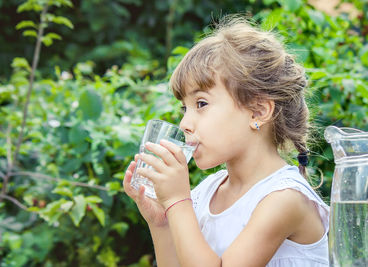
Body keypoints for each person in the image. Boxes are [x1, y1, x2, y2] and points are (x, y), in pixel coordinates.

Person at [123, 17, 329, 267]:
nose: (184, 123)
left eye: (201, 104)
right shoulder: (205, 193)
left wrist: (178, 202)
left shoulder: (284, 199)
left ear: (258, 112)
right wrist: (162, 222)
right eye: (184, 108)